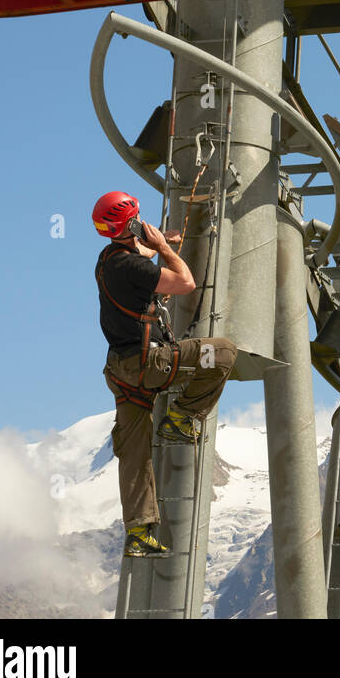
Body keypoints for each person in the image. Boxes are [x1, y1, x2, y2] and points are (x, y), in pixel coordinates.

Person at [92, 191, 237, 558]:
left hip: (122, 371)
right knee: (223, 353)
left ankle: (139, 533)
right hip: (151, 364)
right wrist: (168, 250)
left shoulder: (108, 260)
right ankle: (181, 417)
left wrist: (158, 245)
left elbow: (139, 262)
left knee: (134, 452)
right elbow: (184, 281)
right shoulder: (135, 267)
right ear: (131, 225)